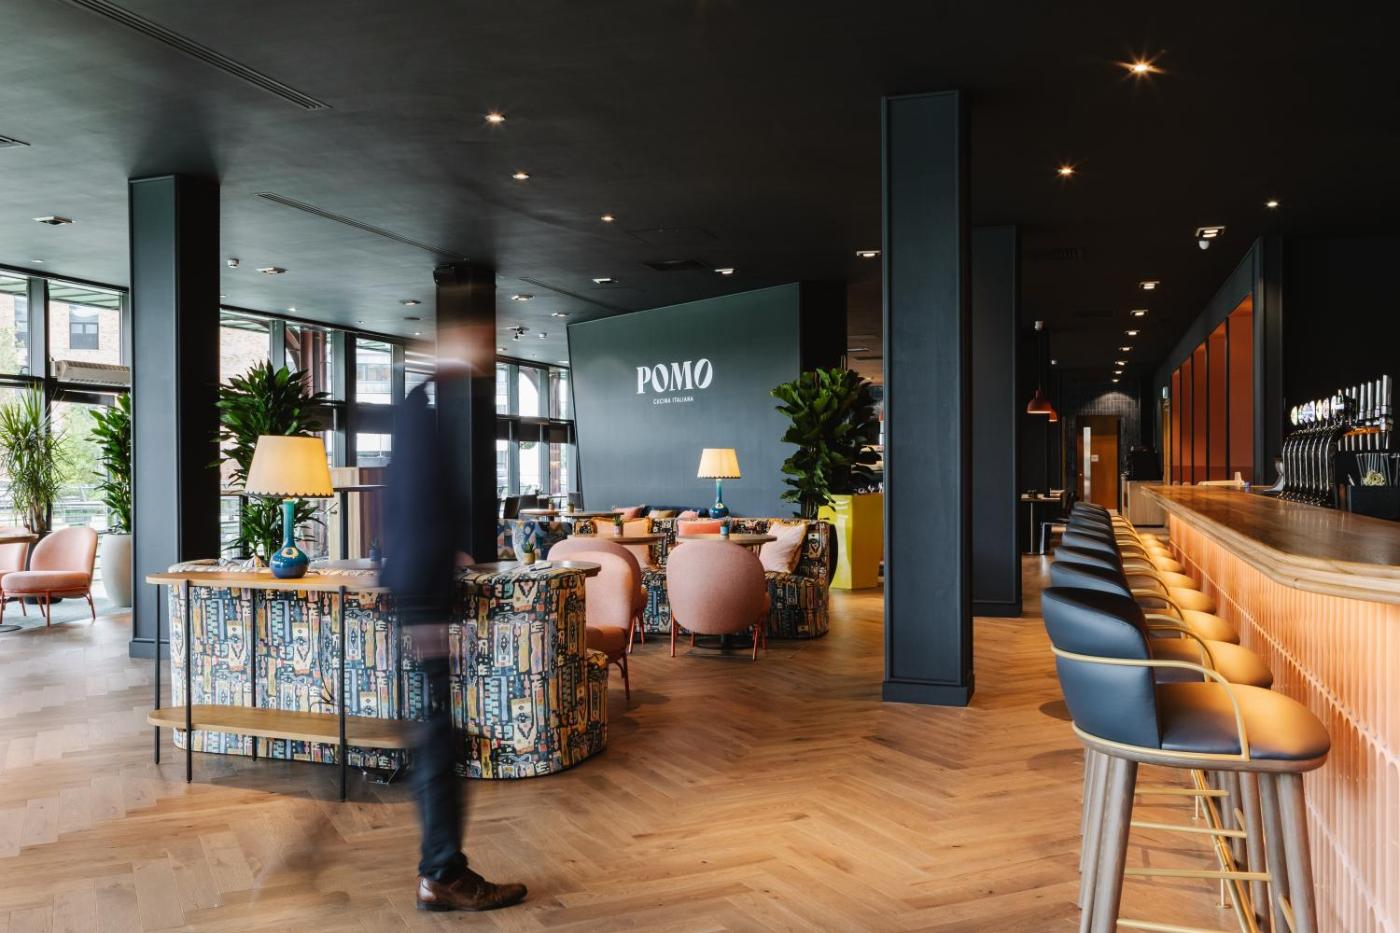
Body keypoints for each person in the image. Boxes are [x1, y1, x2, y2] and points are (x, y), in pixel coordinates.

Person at [383, 378, 527, 912]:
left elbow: (403, 512)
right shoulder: (421, 416)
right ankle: (443, 873)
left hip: (418, 592)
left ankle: (442, 870)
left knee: (436, 739)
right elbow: (417, 511)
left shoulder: (416, 413)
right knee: (439, 743)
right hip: (423, 599)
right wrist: (428, 594)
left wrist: (449, 556)